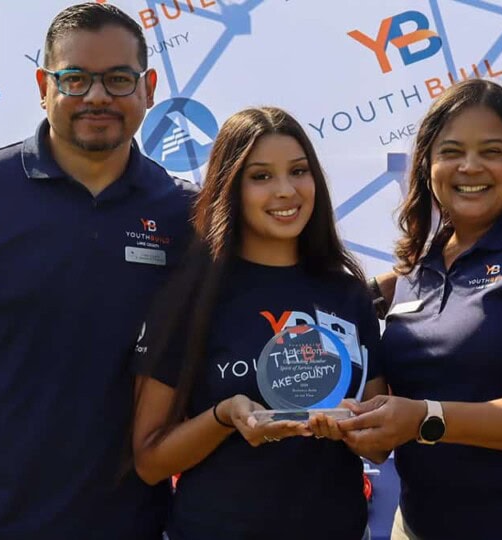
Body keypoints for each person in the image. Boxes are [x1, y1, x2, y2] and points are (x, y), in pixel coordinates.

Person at [0, 4, 196, 539]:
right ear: (42, 85)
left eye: (118, 79)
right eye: (74, 78)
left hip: (132, 526)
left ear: (148, 87)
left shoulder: (185, 215)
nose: (97, 96)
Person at [131, 106, 388, 540]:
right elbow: (150, 459)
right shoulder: (190, 298)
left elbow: (380, 445)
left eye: (299, 171)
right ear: (231, 187)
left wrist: (352, 425)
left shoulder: (347, 293)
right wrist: (224, 417)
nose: (286, 191)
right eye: (261, 176)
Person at [339, 78, 502, 540]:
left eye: (491, 151)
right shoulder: (417, 266)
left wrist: (427, 418)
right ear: (427, 164)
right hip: (419, 526)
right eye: (451, 151)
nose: (470, 166)